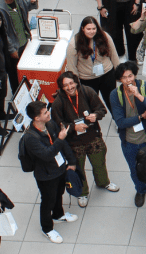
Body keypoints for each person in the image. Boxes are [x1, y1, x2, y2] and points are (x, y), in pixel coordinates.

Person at [50, 71, 119, 207]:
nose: (69, 87)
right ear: (61, 87)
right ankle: (82, 193)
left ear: (76, 82)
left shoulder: (87, 91)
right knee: (78, 168)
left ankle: (103, 182)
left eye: (71, 83)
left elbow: (101, 109)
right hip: (74, 143)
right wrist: (73, 127)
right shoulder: (58, 103)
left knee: (99, 163)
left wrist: (96, 115)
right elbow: (58, 125)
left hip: (93, 137)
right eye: (65, 85)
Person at [22, 100, 78, 242]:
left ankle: (58, 214)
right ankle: (47, 228)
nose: (49, 113)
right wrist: (60, 139)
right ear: (36, 118)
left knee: (59, 192)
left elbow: (63, 144)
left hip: (59, 168)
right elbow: (47, 155)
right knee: (48, 201)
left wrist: (71, 161)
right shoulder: (30, 138)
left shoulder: (50, 124)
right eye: (45, 112)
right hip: (46, 175)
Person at [111, 61, 146, 207]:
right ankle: (140, 190)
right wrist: (141, 117)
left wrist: (139, 96)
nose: (128, 80)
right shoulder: (116, 95)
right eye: (124, 78)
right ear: (119, 80)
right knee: (135, 170)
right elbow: (120, 122)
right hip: (130, 142)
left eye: (130, 76)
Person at [0, 0, 38, 94]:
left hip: (24, 41)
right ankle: (17, 94)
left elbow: (27, 7)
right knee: (14, 73)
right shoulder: (0, 9)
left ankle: (27, 90)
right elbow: (3, 32)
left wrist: (33, 2)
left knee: (24, 67)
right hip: (13, 47)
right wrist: (11, 49)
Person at [67, 16, 120, 110]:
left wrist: (120, 73)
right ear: (82, 29)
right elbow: (72, 67)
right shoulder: (74, 44)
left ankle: (120, 122)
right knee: (91, 106)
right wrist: (75, 85)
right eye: (88, 29)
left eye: (94, 28)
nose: (91, 31)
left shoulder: (105, 36)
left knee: (113, 102)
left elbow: (114, 56)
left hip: (107, 74)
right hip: (87, 79)